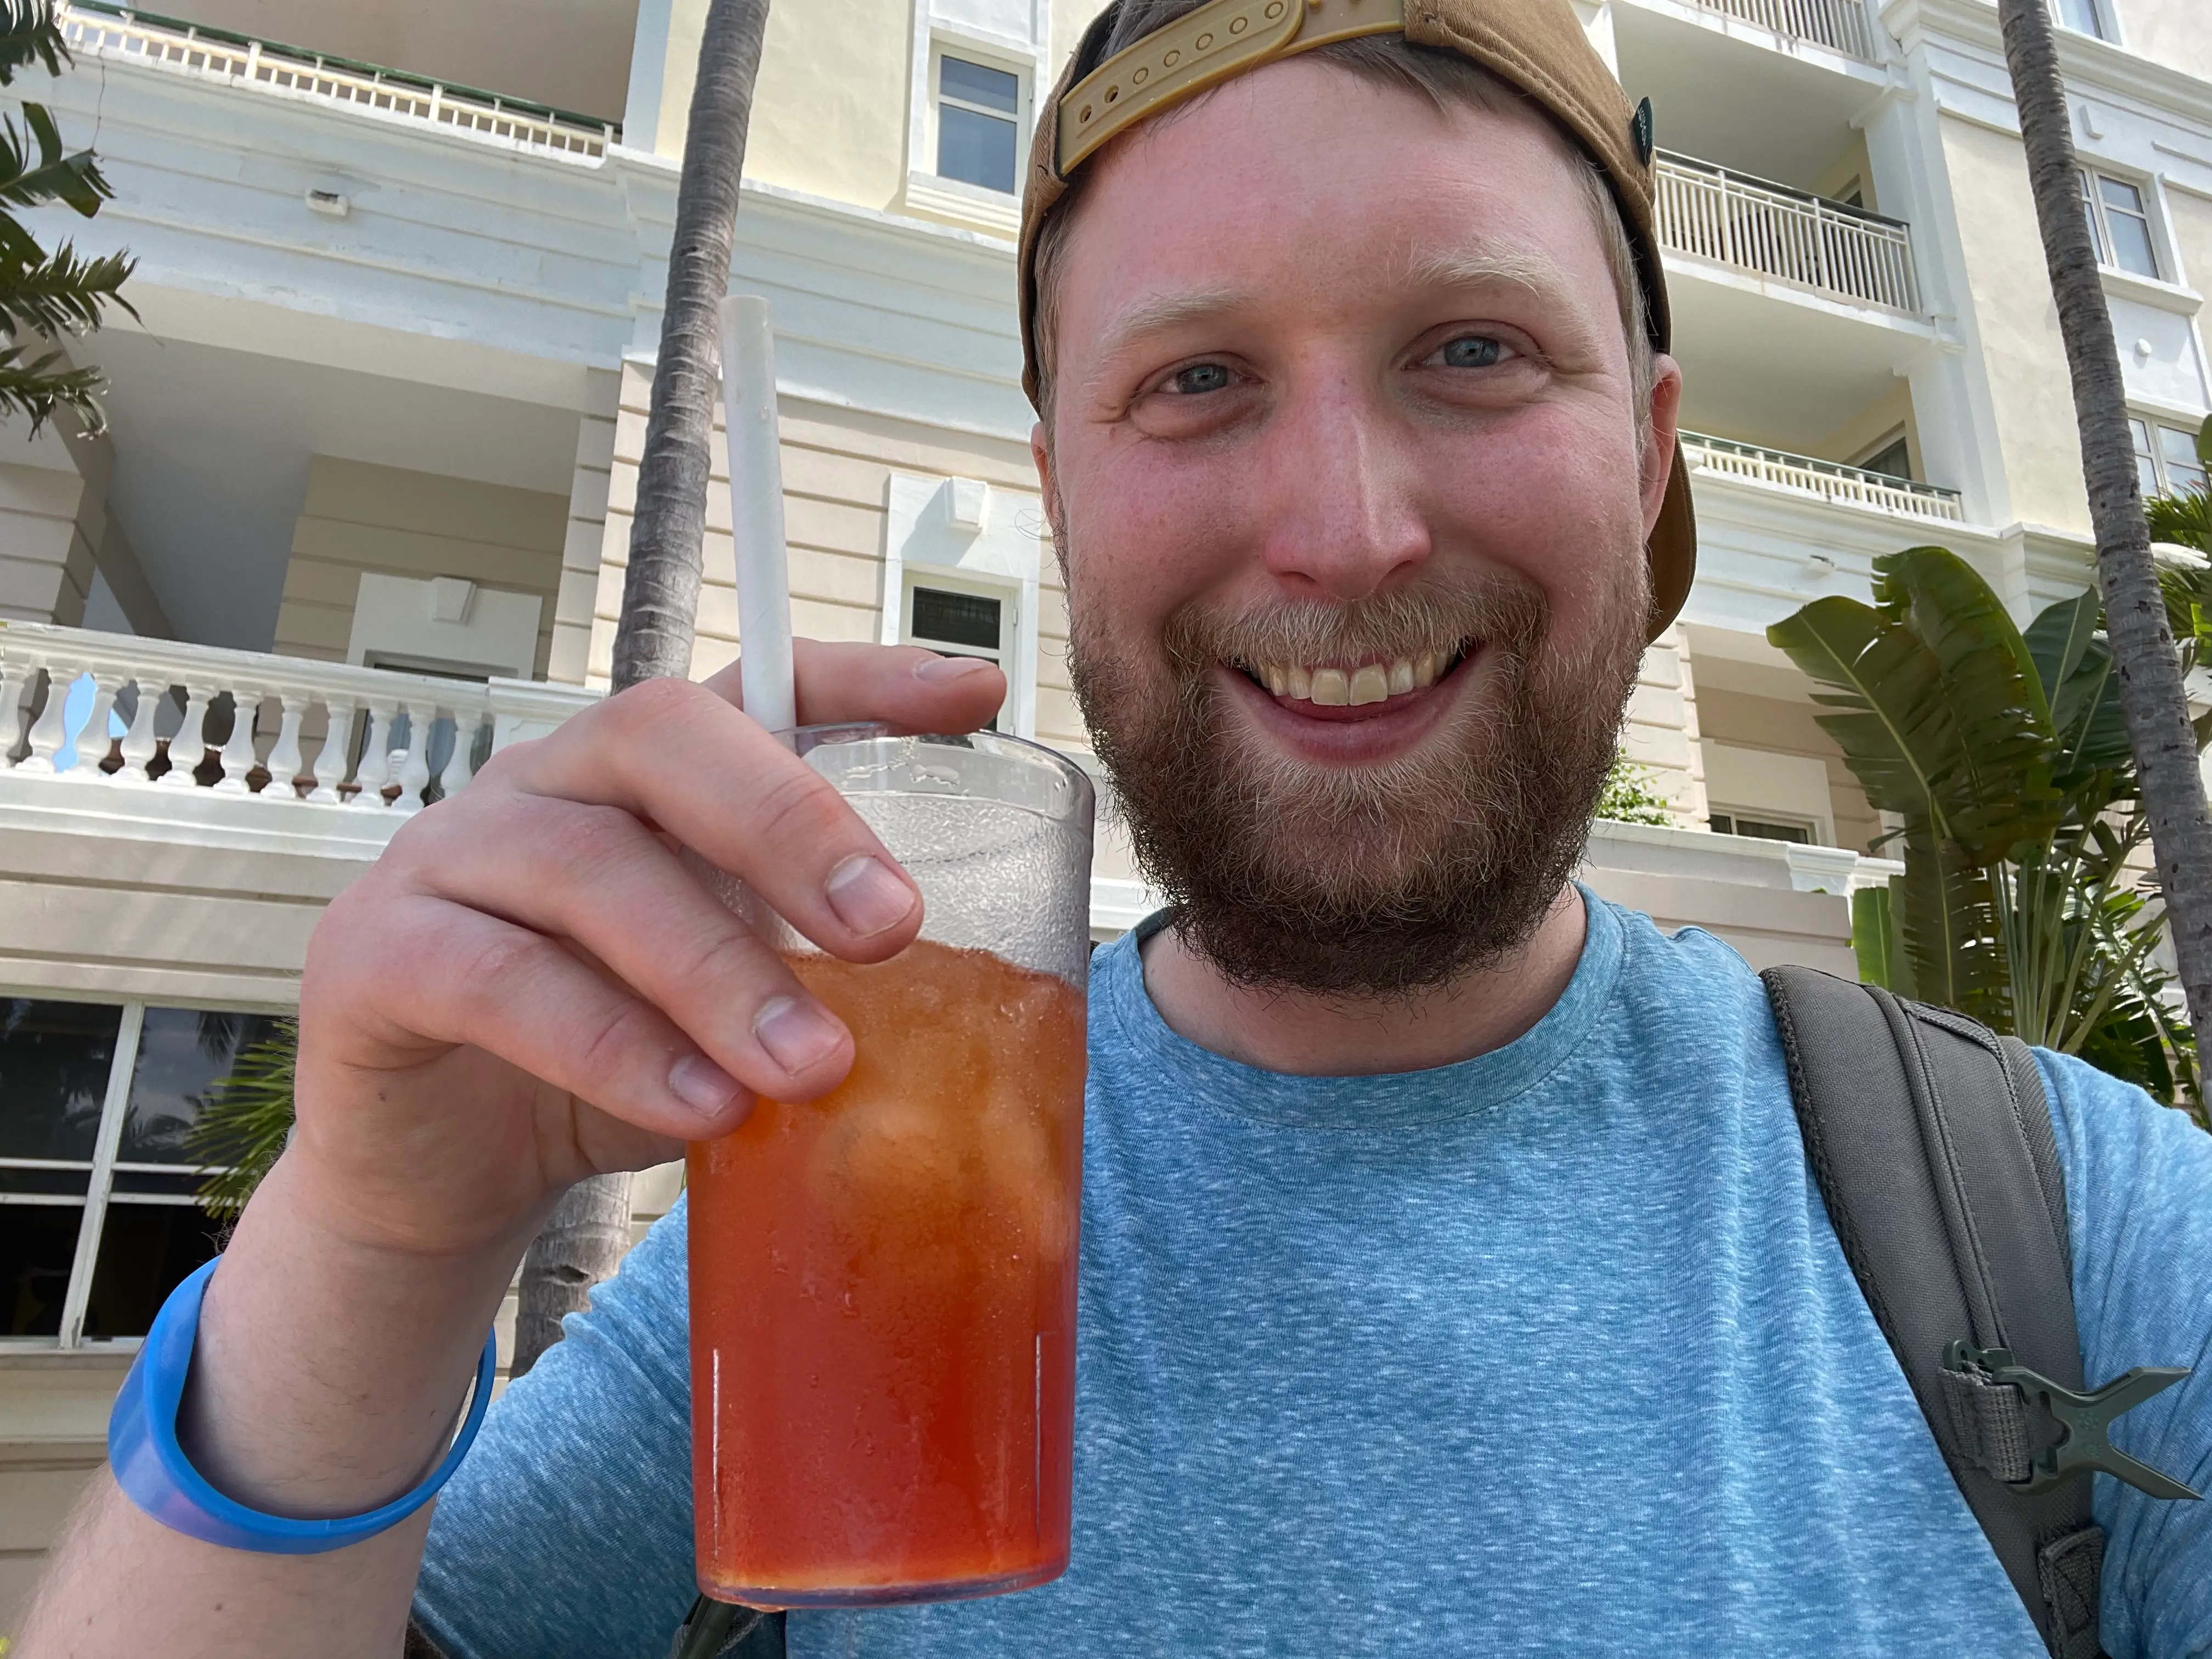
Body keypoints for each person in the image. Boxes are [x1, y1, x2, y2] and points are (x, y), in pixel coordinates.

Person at [20, 0, 2212, 1652]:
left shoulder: (2067, 1225)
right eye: (1197, 380)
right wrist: (379, 1245)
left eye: (1469, 349)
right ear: (1061, 490)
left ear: (1646, 457)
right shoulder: (870, 1216)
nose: (1345, 532)